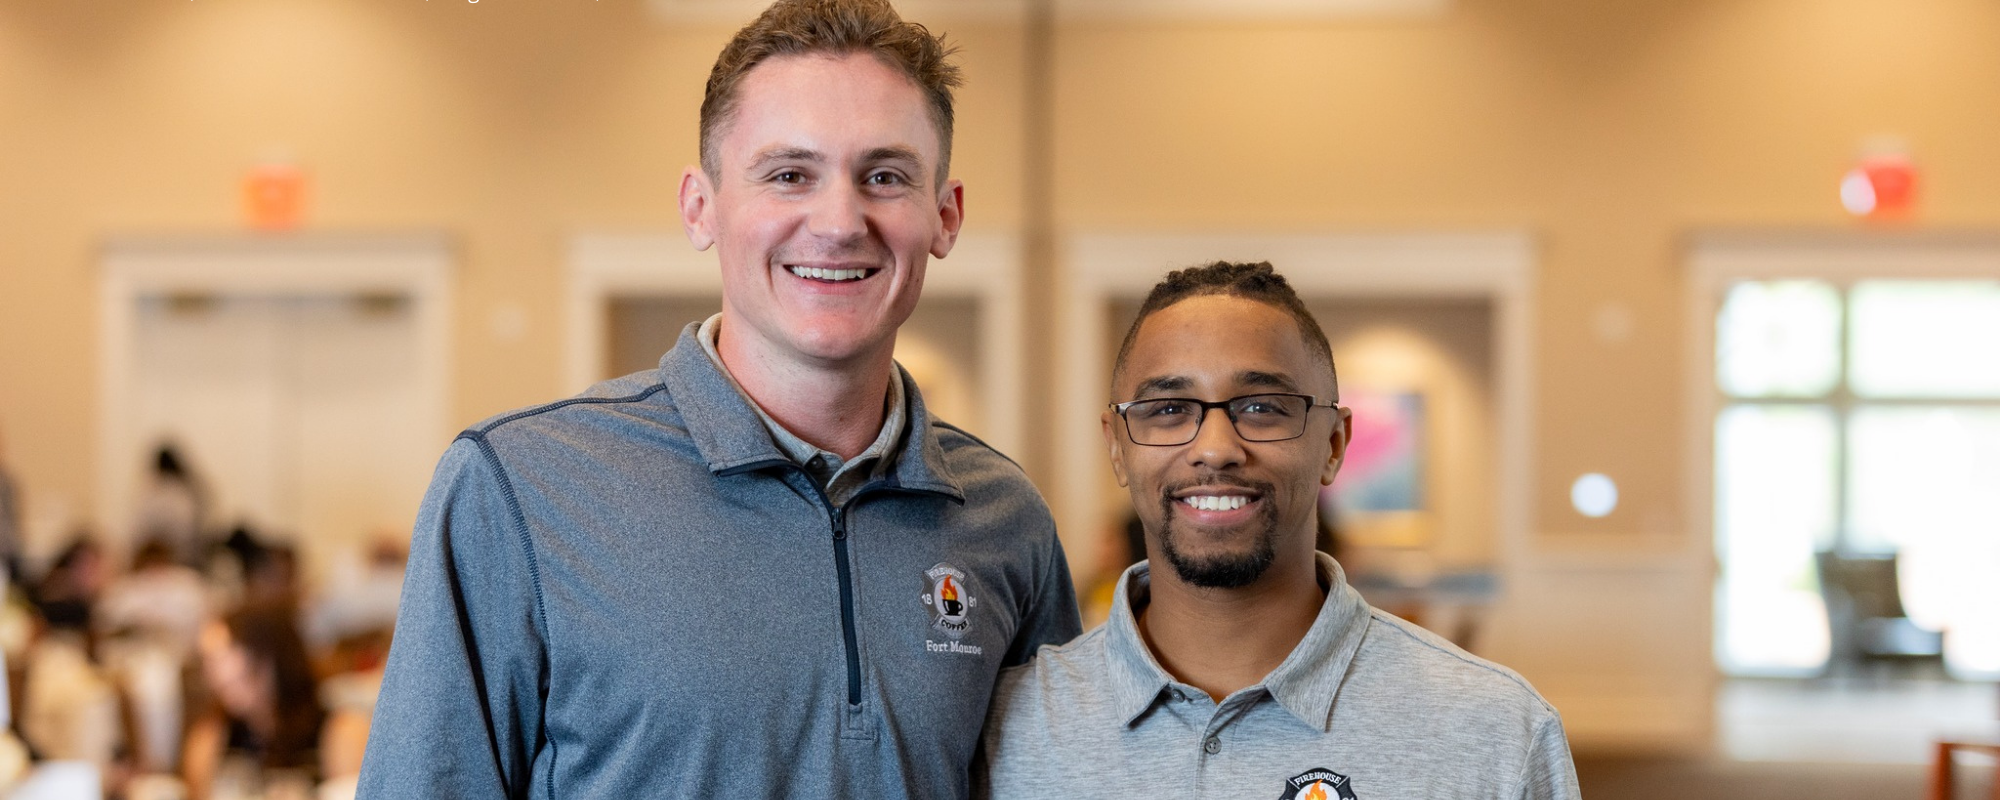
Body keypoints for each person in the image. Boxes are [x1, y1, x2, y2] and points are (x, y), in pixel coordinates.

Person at [357, 1, 1081, 797]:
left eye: (884, 176)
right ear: (701, 208)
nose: (839, 222)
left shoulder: (1006, 520)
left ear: (944, 217)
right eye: (788, 174)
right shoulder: (518, 492)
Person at [976, 262, 1578, 799]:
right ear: (1117, 446)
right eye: (1168, 409)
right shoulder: (1006, 725)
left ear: (1333, 445)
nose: (1215, 448)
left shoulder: (1497, 732)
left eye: (1262, 407)